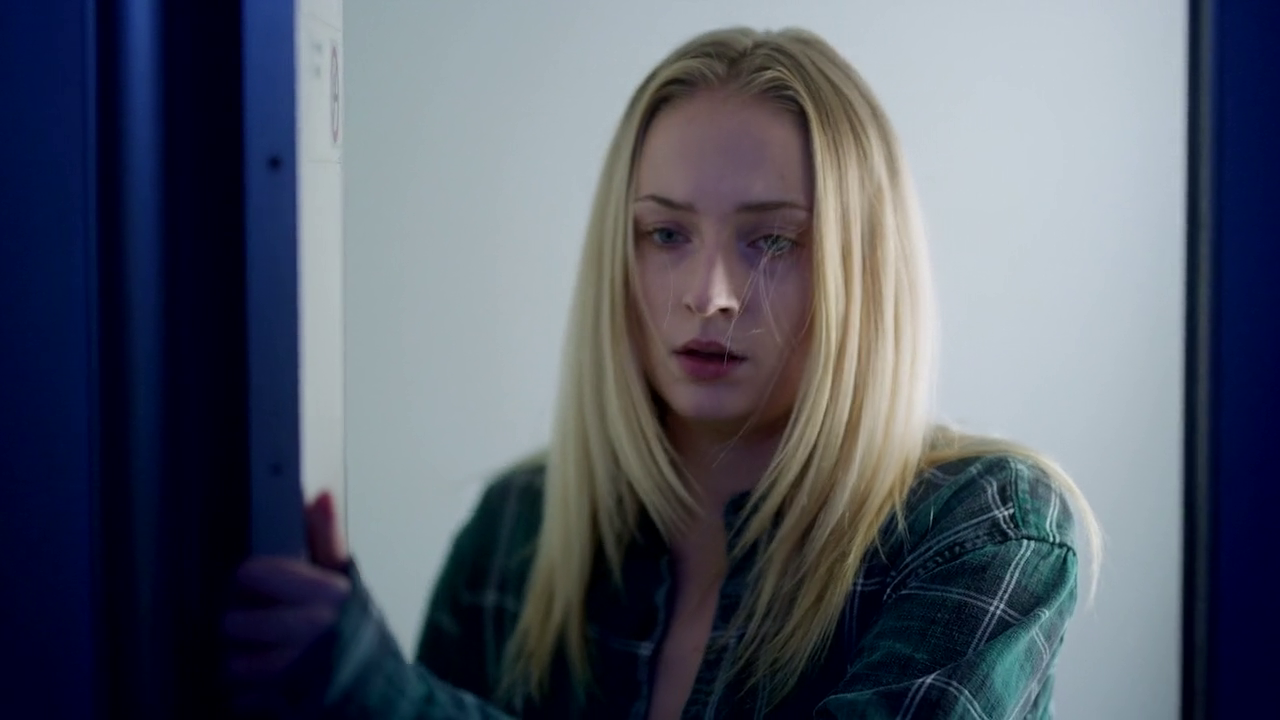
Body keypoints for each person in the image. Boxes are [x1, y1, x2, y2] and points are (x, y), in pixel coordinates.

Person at [224, 26, 1101, 719]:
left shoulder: (982, 532)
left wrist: (384, 698)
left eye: (772, 241)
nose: (709, 295)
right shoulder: (514, 536)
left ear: (861, 269)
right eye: (666, 234)